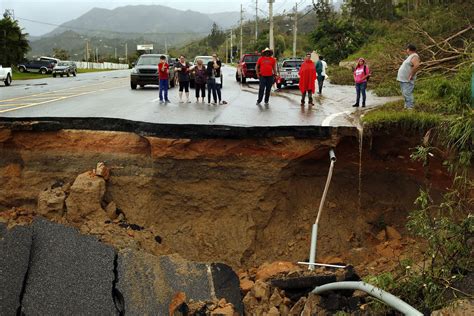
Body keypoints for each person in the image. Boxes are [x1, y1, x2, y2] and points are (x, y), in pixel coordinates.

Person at [397, 44, 420, 110]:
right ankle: (406, 107)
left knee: (407, 93)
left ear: (409, 49)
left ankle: (410, 108)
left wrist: (411, 75)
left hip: (408, 79)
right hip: (403, 79)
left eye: (407, 49)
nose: (406, 50)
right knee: (404, 93)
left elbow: (416, 66)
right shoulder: (410, 56)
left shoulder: (415, 56)